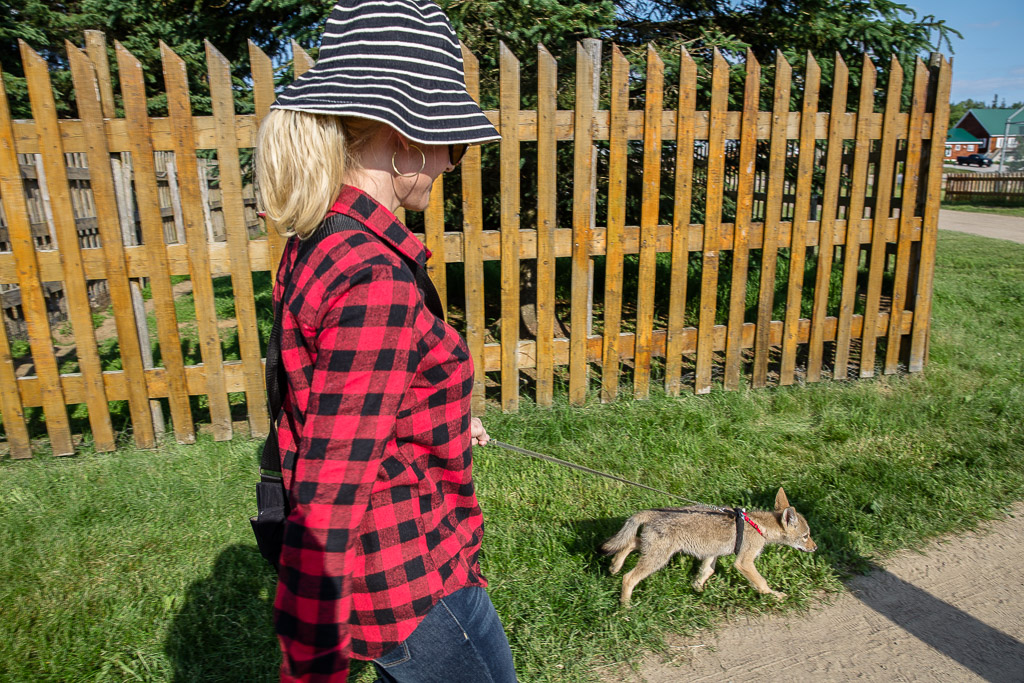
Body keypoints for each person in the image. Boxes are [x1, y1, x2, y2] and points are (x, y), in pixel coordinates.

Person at [253, 1, 515, 681]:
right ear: (401, 138)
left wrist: (444, 416)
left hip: (393, 566)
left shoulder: (321, 238)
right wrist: (311, 667)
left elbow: (327, 405)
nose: (453, 162)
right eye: (449, 141)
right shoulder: (376, 278)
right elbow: (328, 493)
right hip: (415, 578)